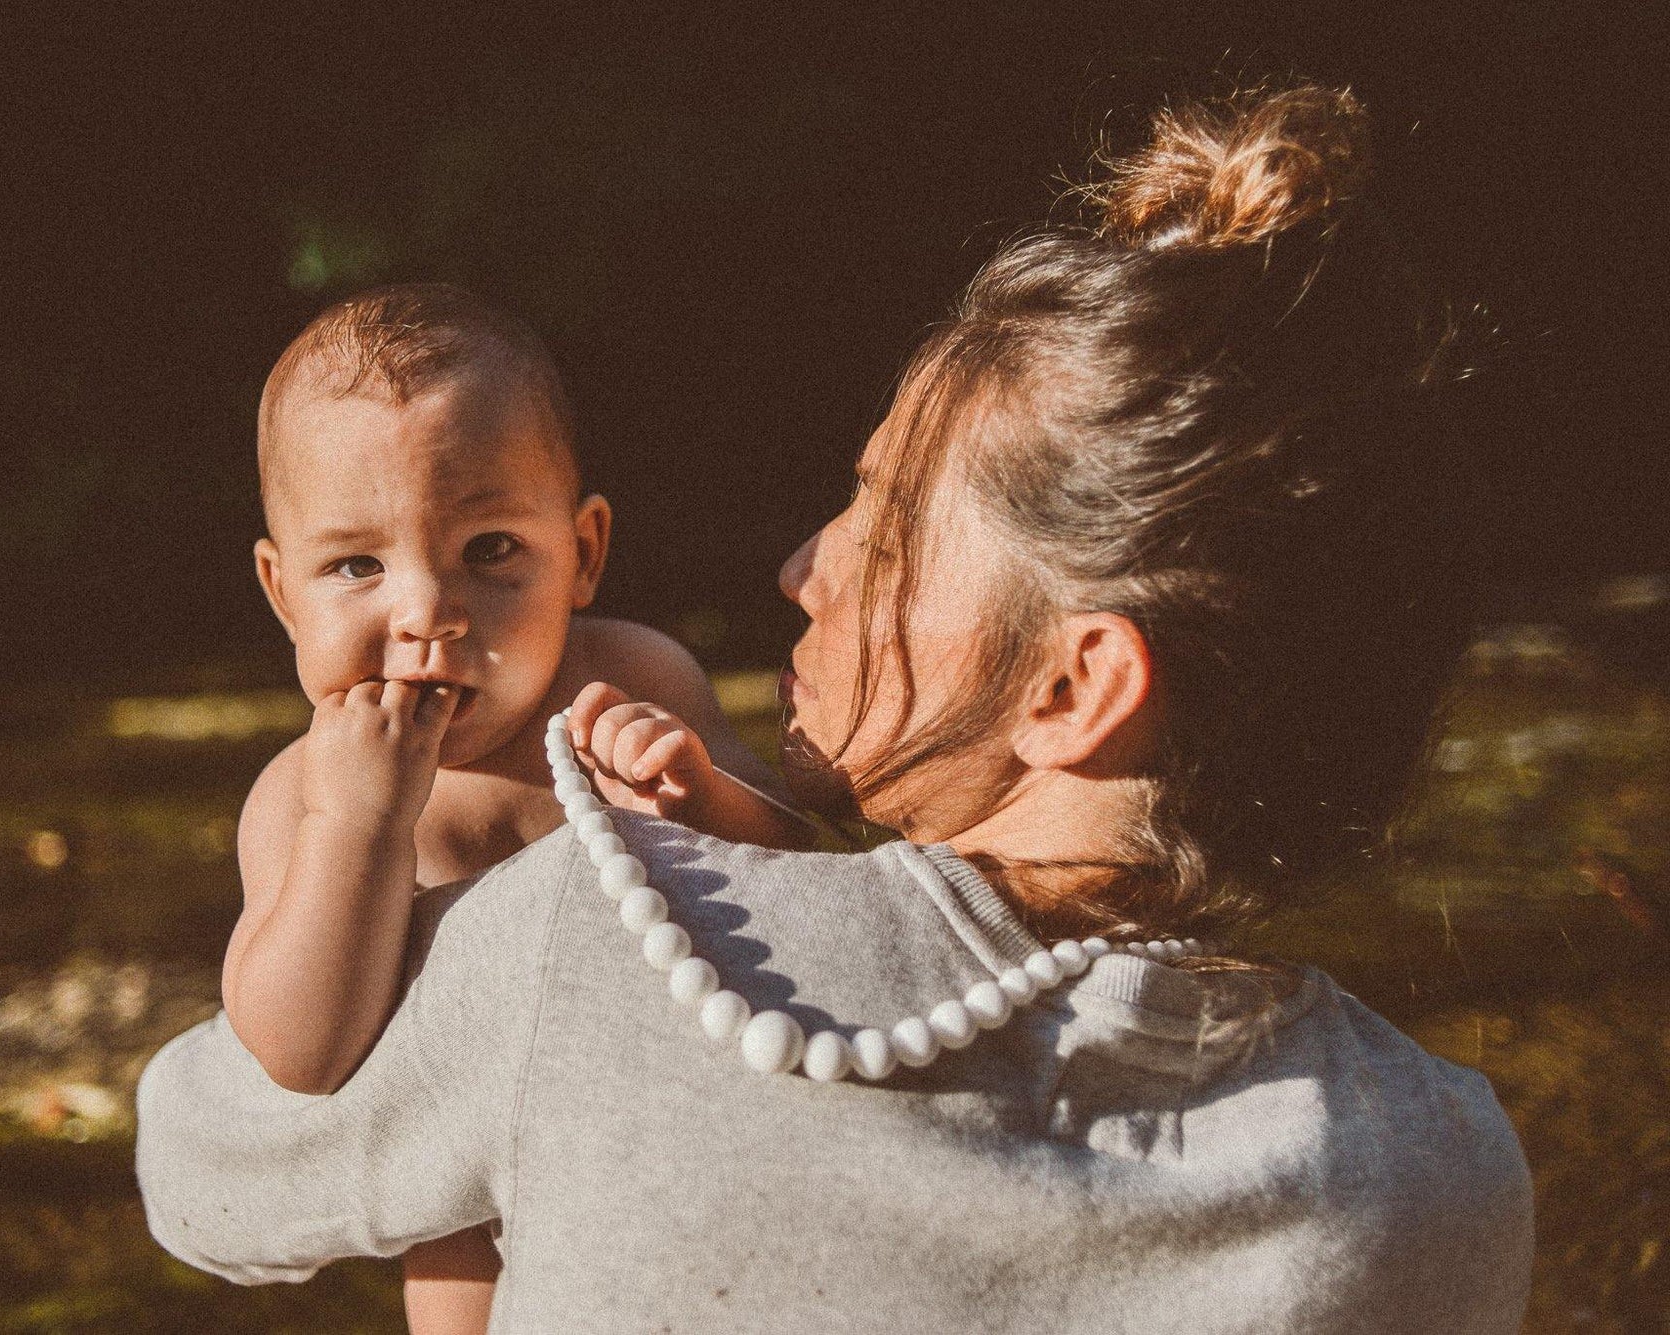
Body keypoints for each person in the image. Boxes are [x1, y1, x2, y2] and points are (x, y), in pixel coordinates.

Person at [139, 84, 1535, 1332]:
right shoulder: (1442, 1168)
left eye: (886, 517)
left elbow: (203, 1166)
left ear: (1074, 685)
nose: (804, 567)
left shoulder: (615, 935)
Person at [228, 282, 817, 1334]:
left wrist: (698, 795)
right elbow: (300, 1054)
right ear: (283, 596)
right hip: (482, 1203)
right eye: (355, 564)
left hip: (691, 1128)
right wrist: (356, 831)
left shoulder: (635, 675)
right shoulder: (304, 794)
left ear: (582, 554)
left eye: (489, 550)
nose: (425, 611)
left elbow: (812, 879)